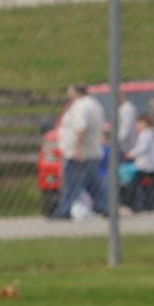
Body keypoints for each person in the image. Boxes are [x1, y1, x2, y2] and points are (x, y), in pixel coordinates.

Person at [54, 84, 107, 220]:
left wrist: (77, 149)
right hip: (92, 150)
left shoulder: (81, 106)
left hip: (78, 152)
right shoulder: (94, 104)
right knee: (92, 182)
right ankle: (104, 206)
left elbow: (80, 127)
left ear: (76, 92)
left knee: (71, 182)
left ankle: (64, 210)